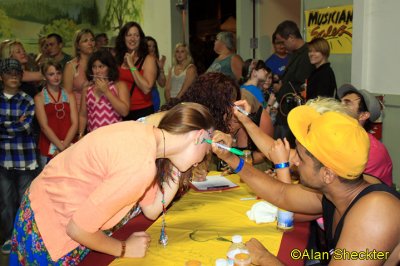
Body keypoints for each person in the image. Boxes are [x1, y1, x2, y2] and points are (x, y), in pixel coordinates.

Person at [9, 102, 222, 264]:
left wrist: (179, 163)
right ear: (199, 136)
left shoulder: (145, 136)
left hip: (41, 202)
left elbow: (152, 209)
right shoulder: (139, 165)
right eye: (206, 150)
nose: (202, 159)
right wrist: (123, 248)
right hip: (49, 226)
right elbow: (77, 229)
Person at [213, 101, 400, 265]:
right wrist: (231, 158)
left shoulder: (375, 212)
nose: (294, 162)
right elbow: (281, 194)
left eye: (301, 159)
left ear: (327, 173)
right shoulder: (337, 189)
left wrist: (264, 258)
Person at [0, 59, 39, 254]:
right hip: (3, 159)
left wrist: (4, 124)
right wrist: (15, 124)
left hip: (25, 158)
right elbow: (19, 127)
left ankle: (24, 237)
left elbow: (25, 127)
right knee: (6, 201)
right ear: (1, 77)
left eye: (17, 73)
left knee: (25, 200)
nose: (13, 76)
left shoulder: (27, 100)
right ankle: (9, 237)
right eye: (9, 73)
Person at [338, 84, 393, 186]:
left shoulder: (372, 150)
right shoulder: (337, 138)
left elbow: (354, 190)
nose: (337, 107)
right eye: (339, 102)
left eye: (347, 103)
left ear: (363, 115)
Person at [272, 20, 314, 148]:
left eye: (283, 42)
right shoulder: (295, 54)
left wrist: (281, 87)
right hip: (285, 111)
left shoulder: (307, 55)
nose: (283, 46)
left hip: (293, 112)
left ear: (291, 38)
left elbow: (301, 83)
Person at [34, 61, 78, 166]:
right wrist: (61, 147)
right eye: (51, 74)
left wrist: (64, 145)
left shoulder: (70, 95)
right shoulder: (39, 98)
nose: (56, 77)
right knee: (48, 180)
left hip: (70, 144)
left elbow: (75, 123)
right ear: (44, 76)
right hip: (49, 146)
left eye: (58, 73)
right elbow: (44, 126)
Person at [78, 50, 129, 136]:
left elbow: (124, 112)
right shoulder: (87, 89)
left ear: (109, 68)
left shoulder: (119, 85)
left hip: (115, 136)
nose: (97, 71)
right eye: (94, 67)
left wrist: (106, 91)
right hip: (93, 137)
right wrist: (80, 134)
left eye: (101, 66)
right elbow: (83, 115)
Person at [115, 22, 157, 120]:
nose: (132, 39)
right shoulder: (117, 58)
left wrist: (131, 65)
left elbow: (146, 88)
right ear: (123, 38)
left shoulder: (148, 59)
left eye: (136, 35)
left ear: (140, 38)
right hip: (121, 111)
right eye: (129, 35)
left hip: (142, 111)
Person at [63, 29, 95, 112]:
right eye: (85, 41)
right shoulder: (71, 66)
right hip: (78, 111)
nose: (90, 43)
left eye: (92, 40)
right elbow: (67, 96)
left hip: (97, 111)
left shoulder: (99, 63)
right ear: (77, 45)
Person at [145, 36, 166, 112]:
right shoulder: (138, 61)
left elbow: (162, 83)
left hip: (153, 94)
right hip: (141, 95)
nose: (152, 48)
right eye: (149, 46)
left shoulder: (156, 61)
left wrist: (160, 68)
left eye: (154, 46)